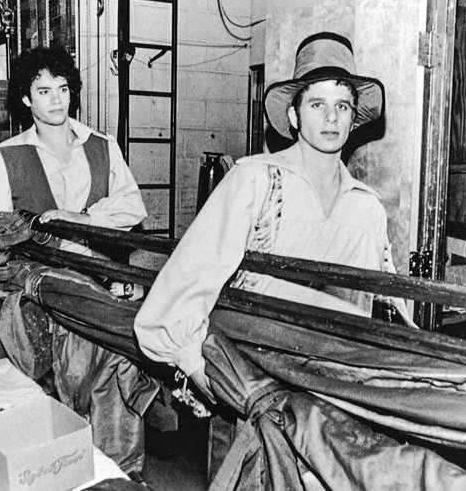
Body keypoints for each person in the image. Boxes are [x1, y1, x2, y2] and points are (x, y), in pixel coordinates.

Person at [133, 31, 415, 400]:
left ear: (352, 119)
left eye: (342, 106)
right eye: (317, 105)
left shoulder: (367, 207)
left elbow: (387, 298)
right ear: (295, 116)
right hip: (258, 377)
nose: (331, 117)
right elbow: (190, 276)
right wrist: (196, 365)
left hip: (340, 386)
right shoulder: (257, 181)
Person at [0, 45, 152, 480]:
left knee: (113, 398)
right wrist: (13, 271)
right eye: (44, 91)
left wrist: (75, 220)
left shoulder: (102, 147)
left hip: (101, 296)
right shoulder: (6, 158)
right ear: (26, 99)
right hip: (42, 308)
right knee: (45, 435)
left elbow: (132, 209)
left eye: (63, 89)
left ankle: (117, 477)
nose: (57, 100)